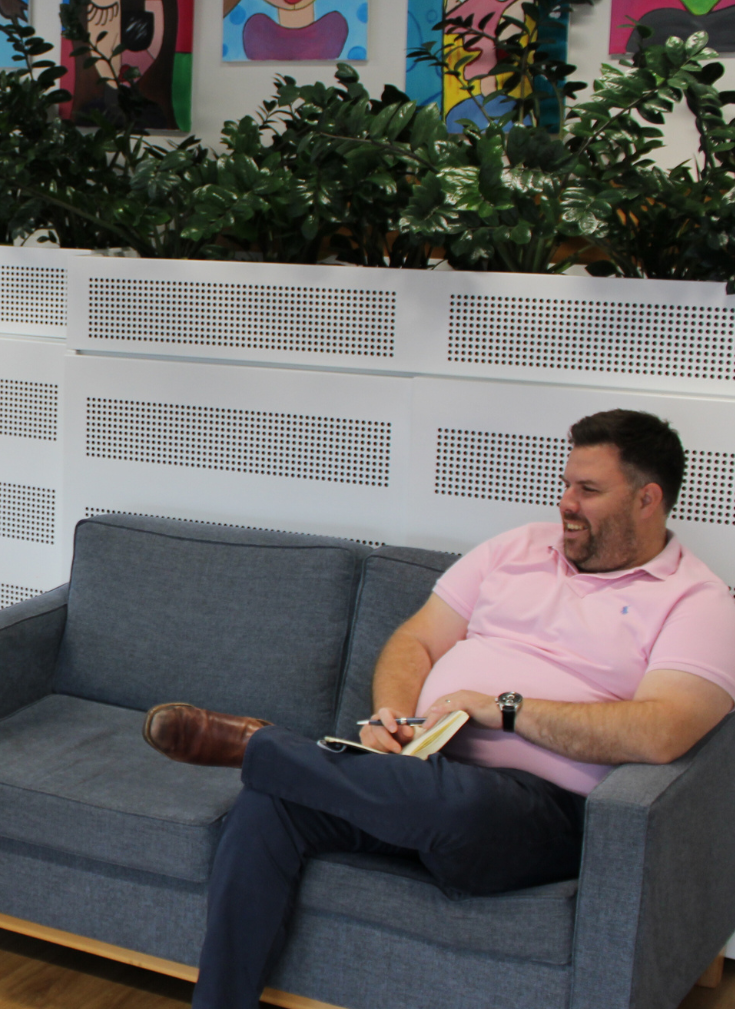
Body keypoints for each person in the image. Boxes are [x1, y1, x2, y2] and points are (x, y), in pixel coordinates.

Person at [142, 409, 735, 1009]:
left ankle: (264, 746)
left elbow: (662, 731)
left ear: (647, 499)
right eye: (565, 484)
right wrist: (387, 718)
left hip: (535, 810)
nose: (566, 503)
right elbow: (415, 640)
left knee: (465, 801)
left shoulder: (696, 600)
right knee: (271, 804)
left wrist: (502, 709)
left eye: (588, 489)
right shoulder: (517, 549)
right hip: (414, 767)